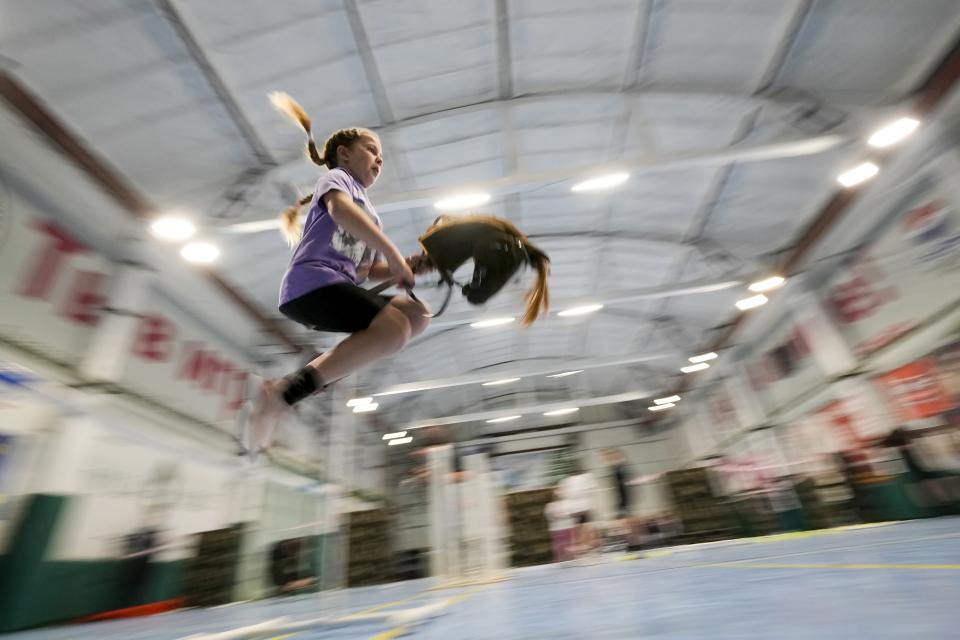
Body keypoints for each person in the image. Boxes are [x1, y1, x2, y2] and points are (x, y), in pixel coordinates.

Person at [245, 94, 433, 453]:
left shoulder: (371, 213)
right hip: (310, 285)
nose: (379, 158)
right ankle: (282, 394)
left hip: (334, 285)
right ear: (344, 154)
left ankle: (283, 393)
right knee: (394, 331)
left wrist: (405, 267)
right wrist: (394, 255)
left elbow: (360, 272)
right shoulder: (337, 180)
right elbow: (341, 212)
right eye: (370, 148)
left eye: (381, 155)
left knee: (416, 314)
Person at [557, 461, 598, 558]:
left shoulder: (580, 478)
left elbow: (569, 493)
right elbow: (591, 489)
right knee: (583, 527)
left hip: (581, 507)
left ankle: (588, 547)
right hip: (578, 507)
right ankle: (587, 547)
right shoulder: (574, 479)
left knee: (584, 527)